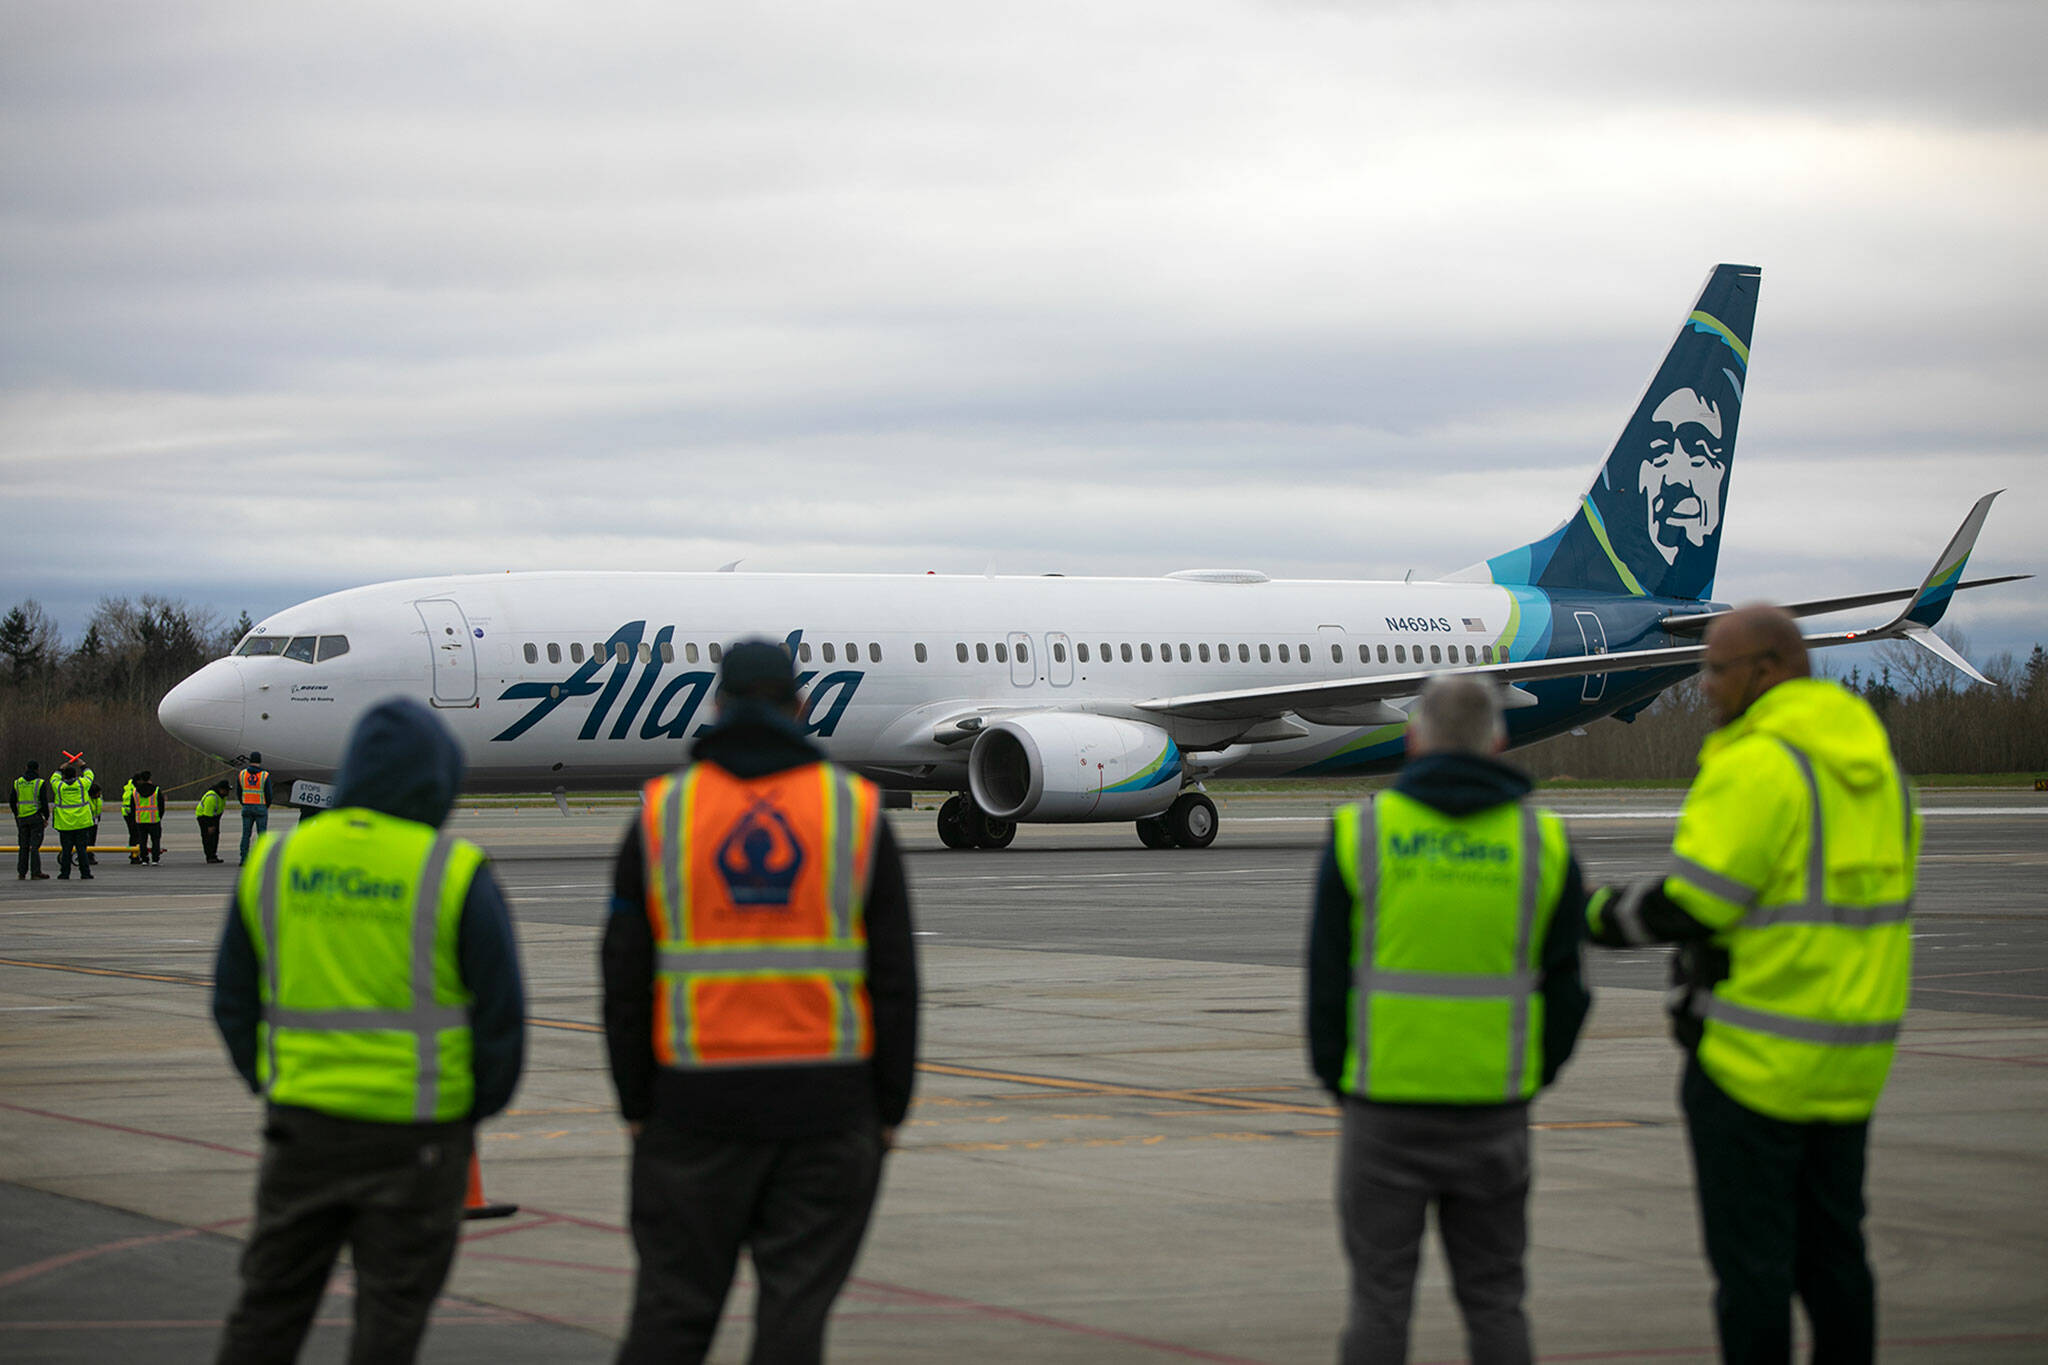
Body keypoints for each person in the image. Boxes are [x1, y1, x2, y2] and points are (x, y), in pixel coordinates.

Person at [1585, 605, 1916, 1364]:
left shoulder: (1759, 760)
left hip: (1755, 1059)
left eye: (1715, 669)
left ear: (1766, 670)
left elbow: (1694, 901)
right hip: (1853, 1059)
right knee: (1836, 1257)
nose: (1702, 686)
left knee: (1753, 1269)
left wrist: (1592, 914)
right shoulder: (1878, 767)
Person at [603, 639, 919, 1365]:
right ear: (800, 706)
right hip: (827, 1109)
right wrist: (889, 1109)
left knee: (671, 1312)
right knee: (793, 1318)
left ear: (716, 705)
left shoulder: (662, 813)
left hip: (692, 1108)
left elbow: (623, 980)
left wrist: (637, 1105)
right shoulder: (854, 810)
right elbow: (895, 978)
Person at [210, 699, 526, 1364]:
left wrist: (269, 1080)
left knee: (267, 1311)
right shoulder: (454, 868)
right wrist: (467, 1112)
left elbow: (231, 1000)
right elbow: (503, 1019)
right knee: (391, 1319)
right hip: (420, 1137)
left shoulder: (275, 859)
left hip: (304, 1129)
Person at [1307, 674, 1590, 1365]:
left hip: (1384, 1107)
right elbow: (1570, 992)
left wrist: (1343, 1081)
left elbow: (1324, 987)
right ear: (1498, 739)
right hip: (1493, 1109)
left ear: (1412, 736)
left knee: (1379, 1298)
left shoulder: (1361, 833)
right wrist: (1529, 1076)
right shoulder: (1544, 842)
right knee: (1495, 1298)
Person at [50, 763, 96, 880]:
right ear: (76, 775)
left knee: (66, 851)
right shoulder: (82, 784)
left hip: (65, 824)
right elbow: (90, 774)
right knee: (82, 850)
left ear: (64, 776)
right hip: (81, 822)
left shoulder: (59, 786)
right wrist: (83, 765)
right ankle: (85, 873)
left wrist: (60, 768)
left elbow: (54, 778)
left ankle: (64, 873)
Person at [12, 759, 50, 880]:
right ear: (37, 769)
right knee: (35, 847)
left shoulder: (17, 782)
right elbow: (44, 802)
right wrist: (46, 817)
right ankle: (35, 872)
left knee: (23, 846)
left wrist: (17, 814)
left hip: (22, 818)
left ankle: (22, 872)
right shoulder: (39, 783)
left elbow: (12, 801)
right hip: (35, 817)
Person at [238, 751, 271, 863]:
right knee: (262, 835)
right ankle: (261, 859)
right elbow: (269, 794)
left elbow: (239, 792)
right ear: (260, 761)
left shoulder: (242, 774)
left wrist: (244, 802)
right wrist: (266, 805)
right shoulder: (264, 775)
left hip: (247, 806)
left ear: (250, 760)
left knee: (246, 834)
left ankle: (244, 859)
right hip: (261, 807)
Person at [132, 771, 164, 864]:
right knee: (155, 840)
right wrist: (159, 816)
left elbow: (133, 806)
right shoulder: (156, 790)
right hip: (154, 819)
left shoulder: (135, 791)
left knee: (142, 840)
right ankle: (155, 859)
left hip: (140, 820)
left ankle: (144, 859)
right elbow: (161, 805)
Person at [197, 779, 231, 863]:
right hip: (204, 817)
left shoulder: (222, 797)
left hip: (214, 816)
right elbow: (207, 814)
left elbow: (220, 809)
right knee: (207, 836)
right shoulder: (211, 797)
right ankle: (209, 856)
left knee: (215, 835)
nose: (228, 793)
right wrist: (210, 826)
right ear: (221, 789)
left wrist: (216, 823)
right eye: (227, 790)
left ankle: (213, 855)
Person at [122, 772, 143, 864]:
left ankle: (134, 853)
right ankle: (134, 854)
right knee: (135, 834)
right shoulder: (135, 789)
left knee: (133, 834)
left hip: (126, 812)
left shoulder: (129, 786)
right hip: (131, 813)